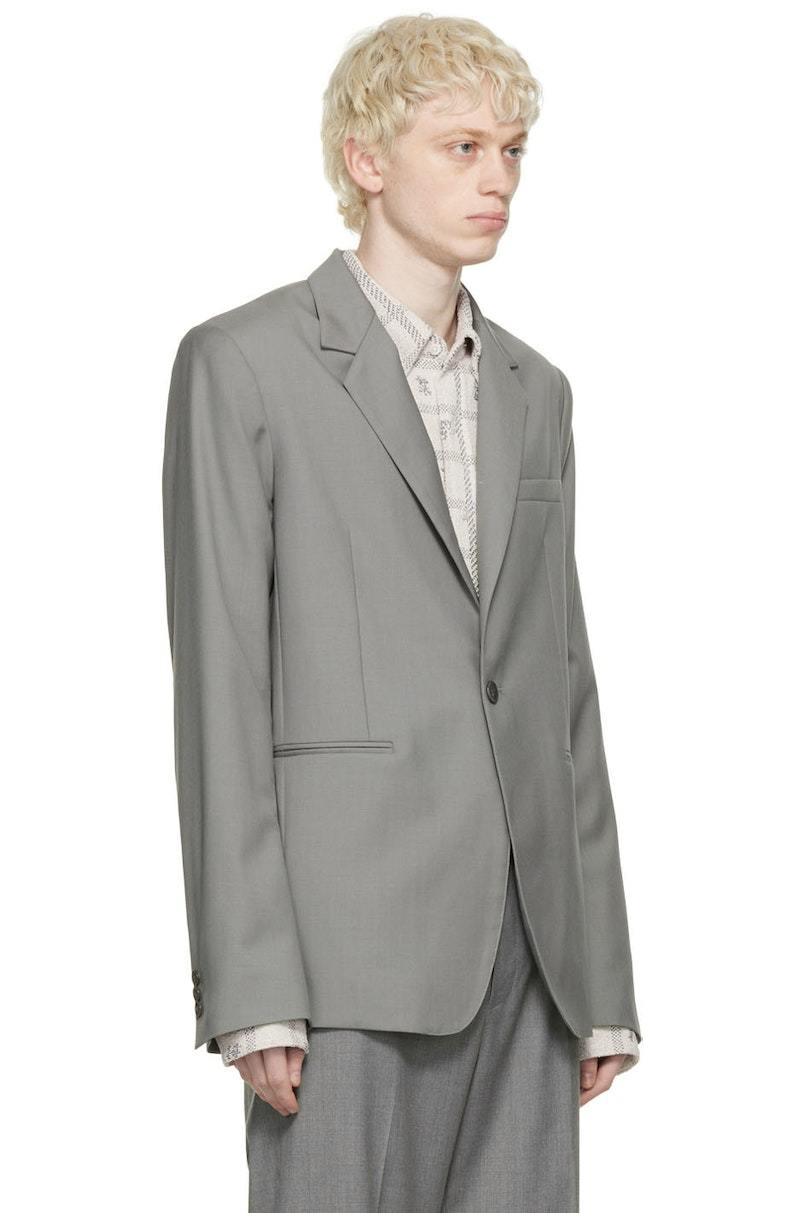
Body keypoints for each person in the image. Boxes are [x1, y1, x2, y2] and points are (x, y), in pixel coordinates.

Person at [162, 14, 642, 1210]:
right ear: (365, 158)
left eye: (512, 150)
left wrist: (599, 977)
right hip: (344, 951)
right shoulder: (244, 363)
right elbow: (221, 684)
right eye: (461, 147)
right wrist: (250, 983)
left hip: (530, 953)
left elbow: (560, 684)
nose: (498, 179)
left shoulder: (536, 390)